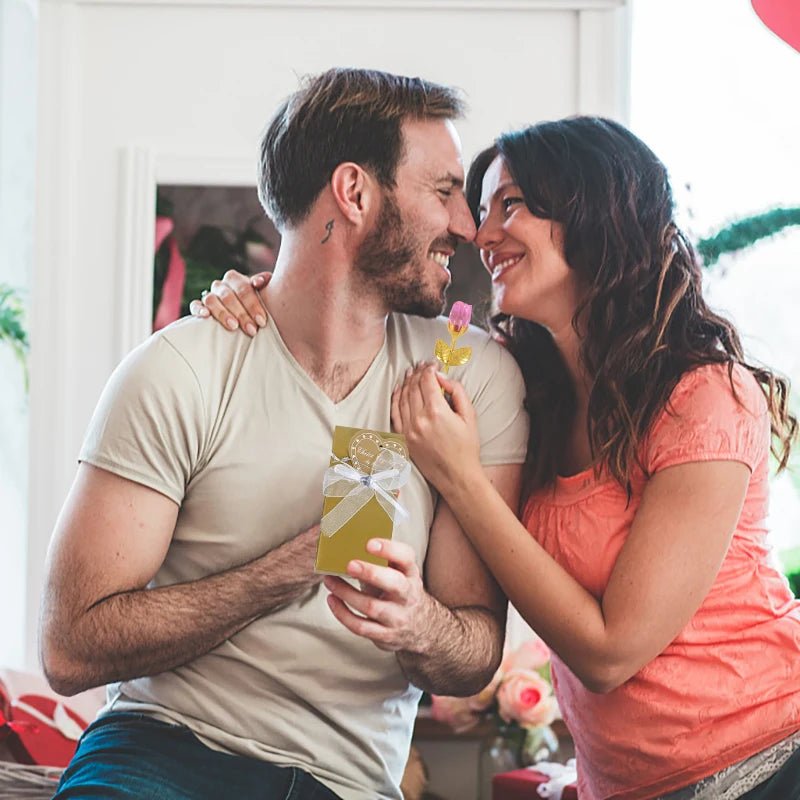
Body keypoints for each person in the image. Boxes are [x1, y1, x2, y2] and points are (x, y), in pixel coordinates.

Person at [200, 117, 800, 800]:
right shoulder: (521, 389)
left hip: (762, 763)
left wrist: (460, 476)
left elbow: (610, 654)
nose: (481, 235)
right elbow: (346, 335)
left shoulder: (707, 398)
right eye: (480, 210)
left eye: (509, 205)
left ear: (598, 212)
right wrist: (266, 299)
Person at [40, 68, 529, 800]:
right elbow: (70, 648)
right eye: (444, 190)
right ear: (355, 193)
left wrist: (418, 621)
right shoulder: (180, 371)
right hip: (162, 753)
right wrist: (288, 570)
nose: (467, 224)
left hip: (347, 781)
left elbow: (472, 654)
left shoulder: (475, 381)